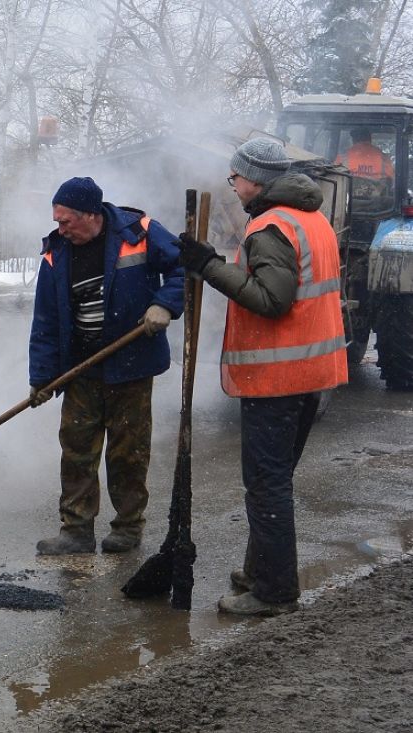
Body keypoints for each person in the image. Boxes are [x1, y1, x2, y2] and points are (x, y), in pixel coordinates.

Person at [178, 137, 348, 616]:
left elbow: (272, 300)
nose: (233, 187)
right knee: (276, 479)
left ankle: (274, 592)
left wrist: (208, 266)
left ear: (255, 179)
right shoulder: (311, 219)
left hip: (279, 378)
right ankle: (261, 569)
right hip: (312, 373)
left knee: (268, 484)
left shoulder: (270, 228)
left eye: (236, 179)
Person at [29, 177, 184, 555]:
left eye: (66, 221)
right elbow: (46, 322)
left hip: (131, 366)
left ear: (91, 215)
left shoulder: (140, 232)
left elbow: (186, 267)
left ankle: (128, 528)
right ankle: (76, 530)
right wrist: (42, 378)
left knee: (127, 452)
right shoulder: (56, 253)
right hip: (81, 369)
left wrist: (165, 303)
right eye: (57, 221)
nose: (60, 229)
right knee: (77, 449)